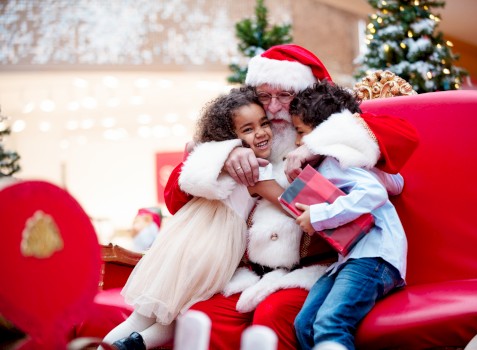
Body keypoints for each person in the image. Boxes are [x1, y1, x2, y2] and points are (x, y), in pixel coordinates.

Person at [164, 44, 419, 350]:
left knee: (274, 316)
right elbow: (175, 201)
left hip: (313, 269)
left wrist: (319, 144)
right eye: (264, 96)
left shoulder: (328, 134)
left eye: (284, 95)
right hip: (249, 274)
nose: (272, 108)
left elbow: (402, 142)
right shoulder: (244, 135)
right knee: (203, 317)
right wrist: (222, 154)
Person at [100, 87, 280, 350]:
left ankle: (128, 344)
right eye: (248, 129)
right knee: (180, 310)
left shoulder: (212, 162)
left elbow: (191, 150)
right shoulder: (255, 170)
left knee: (165, 311)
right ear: (231, 138)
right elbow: (289, 202)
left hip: (182, 241)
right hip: (213, 248)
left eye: (264, 123)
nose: (261, 132)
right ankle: (131, 344)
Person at [290, 81, 407, 350]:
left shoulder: (337, 161)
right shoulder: (343, 161)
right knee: (304, 324)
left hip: (374, 258)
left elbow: (374, 193)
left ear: (322, 133)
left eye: (301, 132)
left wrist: (319, 216)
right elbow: (395, 183)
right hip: (352, 259)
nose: (297, 142)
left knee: (330, 322)